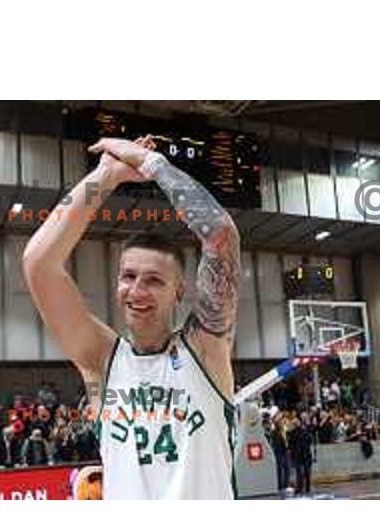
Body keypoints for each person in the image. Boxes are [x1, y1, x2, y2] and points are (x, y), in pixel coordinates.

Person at [23, 136, 240, 499]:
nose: (137, 291)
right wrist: (105, 176)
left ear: (179, 291)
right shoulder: (102, 359)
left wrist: (152, 163)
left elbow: (221, 236)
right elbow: (38, 263)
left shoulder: (205, 349)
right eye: (128, 276)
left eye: (154, 280)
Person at [287, 417, 313, 495]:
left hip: (302, 455)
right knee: (303, 473)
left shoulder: (296, 432)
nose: (296, 424)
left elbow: (290, 445)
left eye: (296, 423)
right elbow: (309, 441)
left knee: (303, 473)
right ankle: (305, 488)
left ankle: (302, 488)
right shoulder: (297, 432)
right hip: (302, 455)